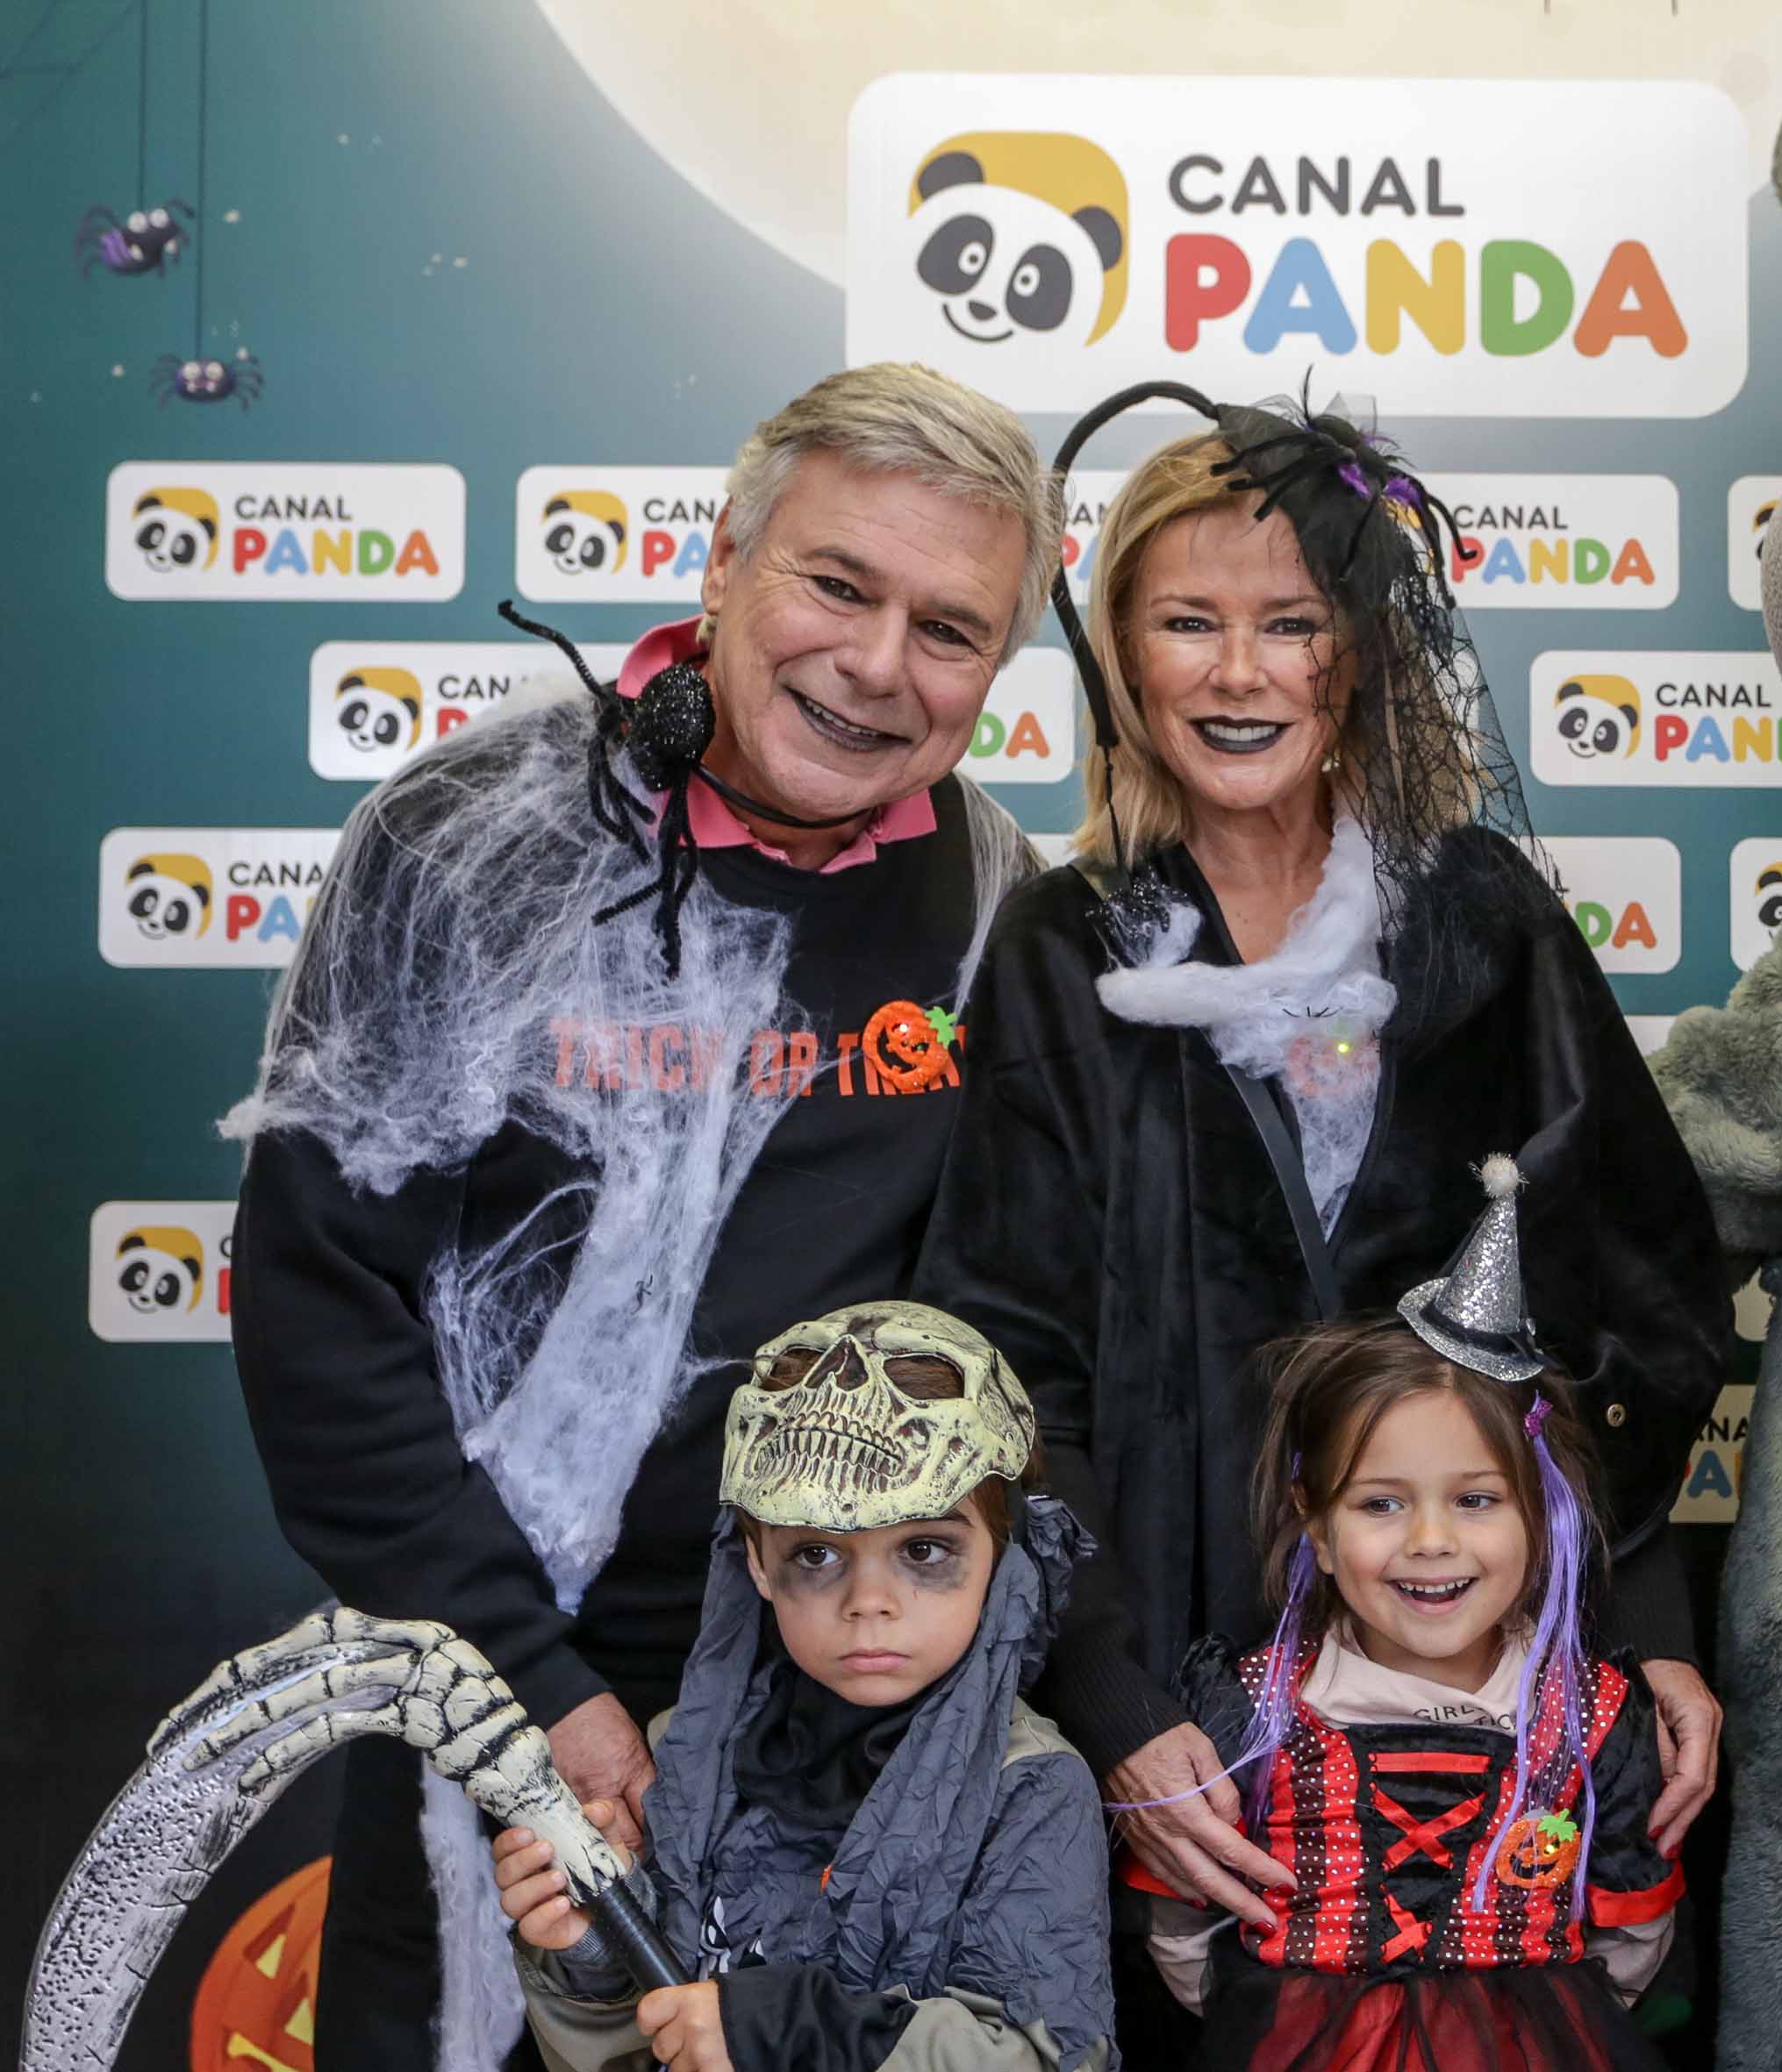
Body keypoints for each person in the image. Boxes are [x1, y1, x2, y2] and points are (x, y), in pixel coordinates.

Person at [226, 362, 1059, 2072]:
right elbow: (322, 1310)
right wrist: (536, 1688)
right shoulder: (467, 841)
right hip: (494, 1694)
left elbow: (1023, 1334)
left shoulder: (996, 901)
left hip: (852, 1708)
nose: (877, 663)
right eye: (837, 583)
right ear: (724, 562)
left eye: (949, 628)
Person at [912, 394, 1731, 2046]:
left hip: (1494, 1702)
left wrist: (1642, 1636)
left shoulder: (1479, 917)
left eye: (1288, 623)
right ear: (1119, 657)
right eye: (1186, 622)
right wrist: (1115, 1706)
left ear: (1354, 657)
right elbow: (1005, 1370)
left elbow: (1619, 1297)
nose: (1239, 672)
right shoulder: (1066, 947)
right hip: (1191, 1721)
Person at [1137, 1163, 1678, 2071]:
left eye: (1476, 1500)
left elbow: (1630, 1929)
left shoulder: (1594, 1716)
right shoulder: (1250, 1705)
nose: (1430, 1541)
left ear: (1541, 1512)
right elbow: (1183, 1919)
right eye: (1381, 1503)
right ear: (1315, 1519)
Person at [495, 1301, 1116, 2072]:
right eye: (817, 1554)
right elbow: (642, 2043)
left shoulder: (1029, 1789)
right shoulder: (686, 1758)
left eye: (924, 1548)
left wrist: (790, 2031)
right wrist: (596, 1953)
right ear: (757, 1561)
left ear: (1002, 1553)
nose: (869, 1602)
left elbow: (1048, 2059)